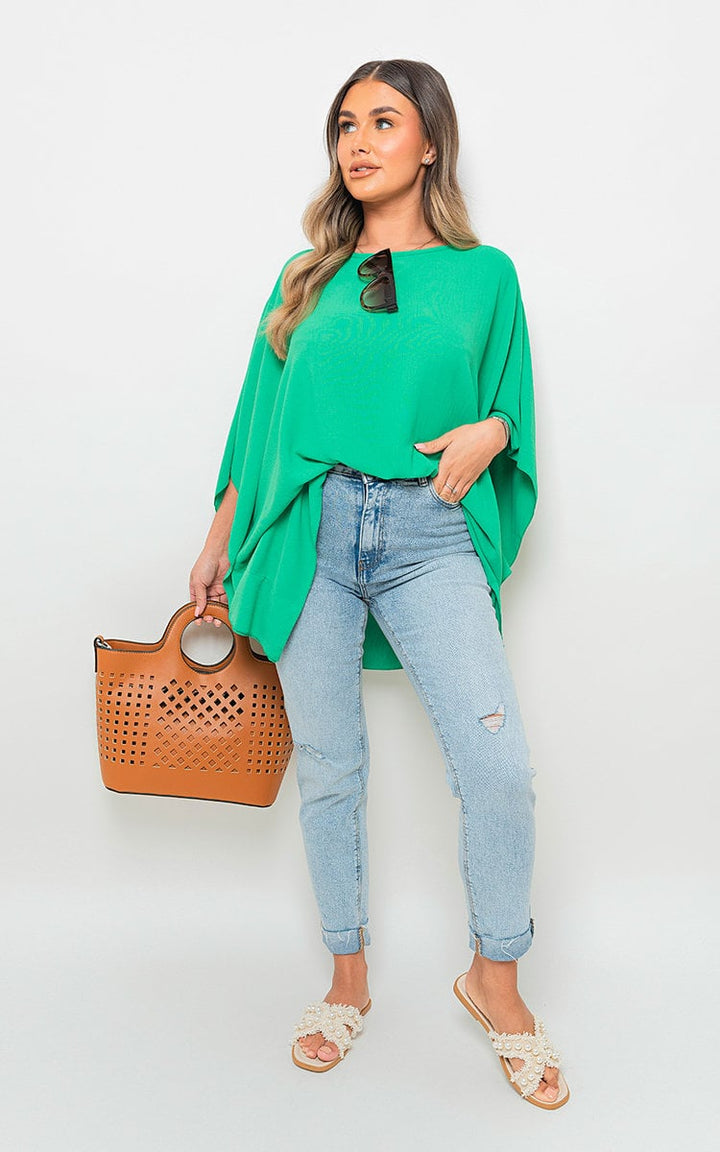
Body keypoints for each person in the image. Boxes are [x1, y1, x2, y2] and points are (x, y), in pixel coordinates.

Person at [189, 58, 569, 1109]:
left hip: (427, 530)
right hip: (310, 527)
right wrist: (222, 534)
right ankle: (347, 978)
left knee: (497, 768)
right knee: (330, 767)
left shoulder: (484, 275)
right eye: (346, 124)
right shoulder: (301, 276)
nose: (359, 142)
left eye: (384, 122)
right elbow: (259, 418)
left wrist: (493, 431)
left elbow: (512, 406)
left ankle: (496, 980)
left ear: (430, 143)